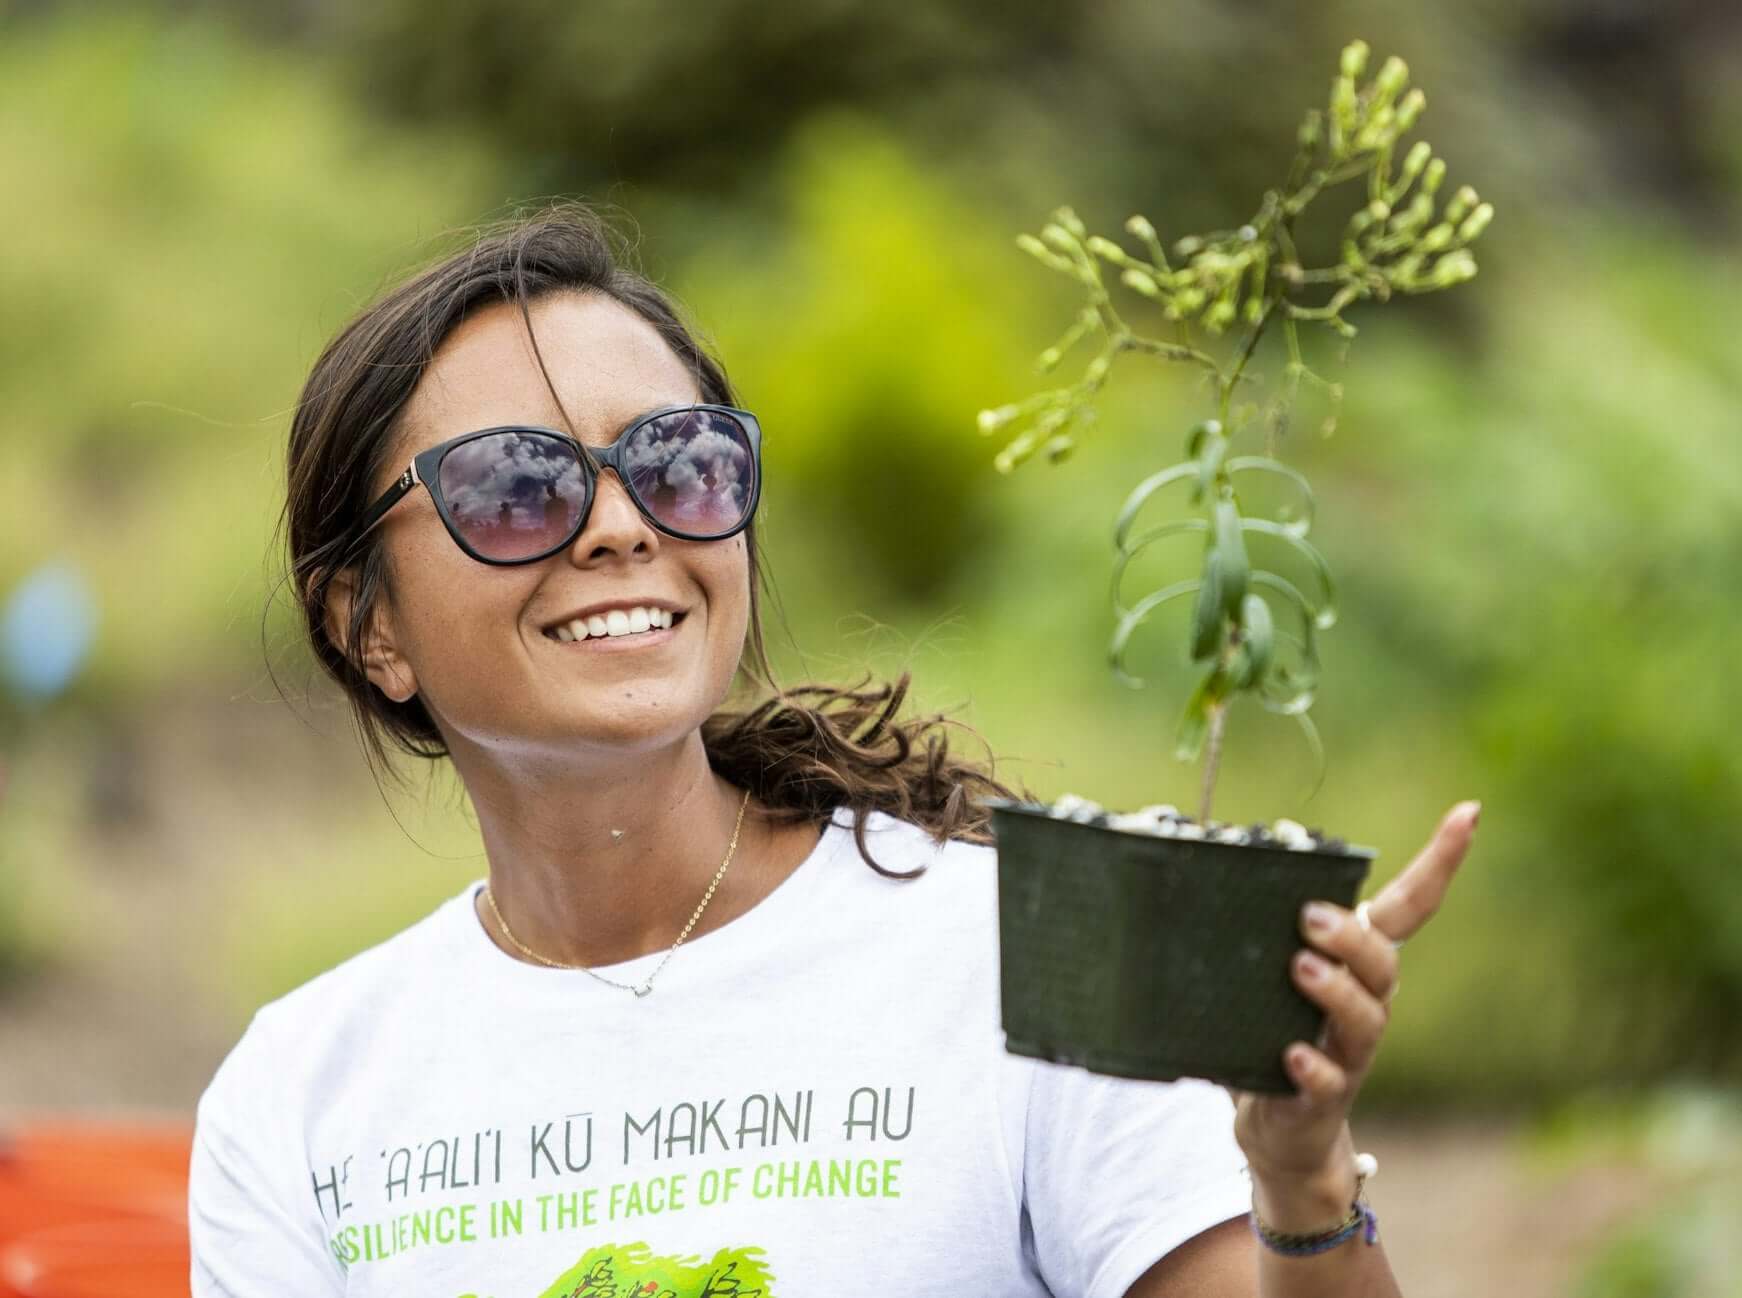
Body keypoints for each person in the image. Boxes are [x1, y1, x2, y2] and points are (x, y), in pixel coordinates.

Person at [187, 203, 1479, 1297]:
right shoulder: (300, 1098)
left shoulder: (1031, 952)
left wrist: (1298, 1179)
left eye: (677, 463)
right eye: (520, 486)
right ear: (369, 628)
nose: (620, 526)